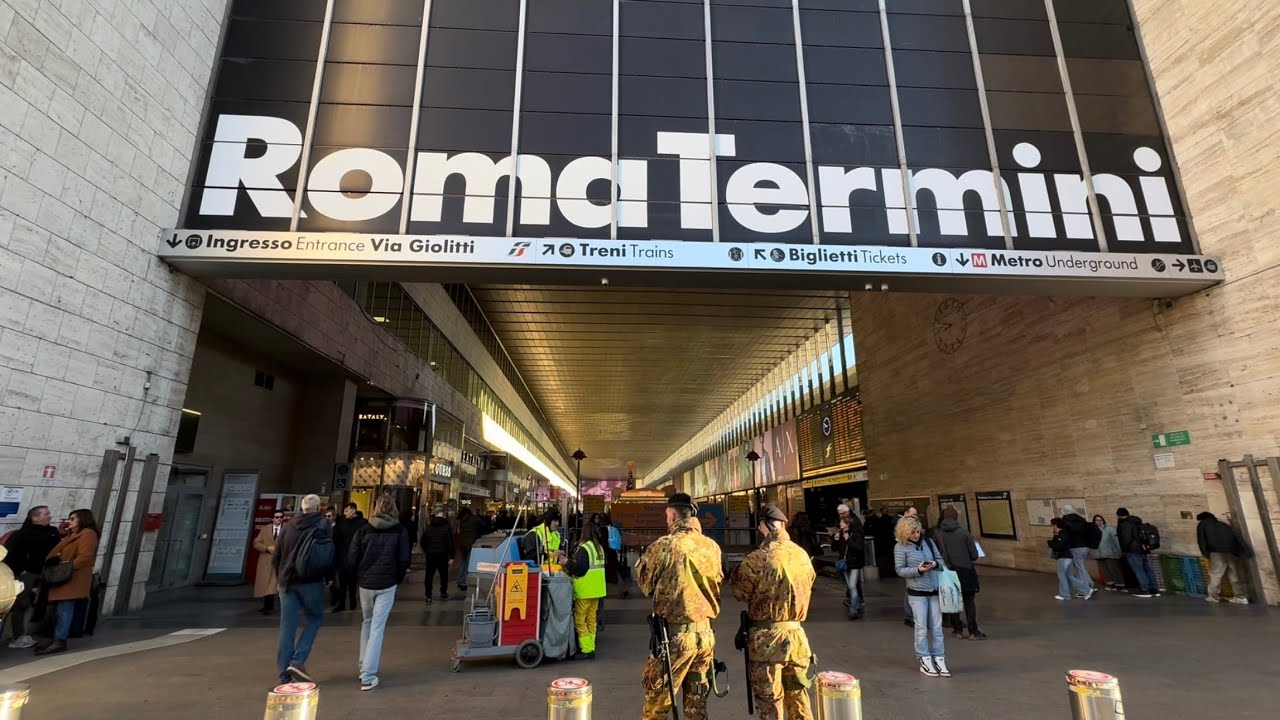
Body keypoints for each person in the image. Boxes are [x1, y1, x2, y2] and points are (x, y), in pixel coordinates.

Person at [636, 493, 724, 720]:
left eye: (667, 516)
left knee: (657, 706)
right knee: (697, 705)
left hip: (674, 640)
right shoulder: (712, 547)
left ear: (673, 515)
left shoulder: (664, 546)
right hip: (704, 636)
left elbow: (646, 586)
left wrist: (640, 566)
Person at [732, 504, 816, 719]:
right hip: (797, 638)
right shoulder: (802, 555)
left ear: (764, 526)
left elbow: (740, 592)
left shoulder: (758, 557)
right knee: (799, 699)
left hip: (766, 643)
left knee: (770, 703)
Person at [350, 495, 412, 691]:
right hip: (387, 583)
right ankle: (368, 675)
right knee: (378, 627)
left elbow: (352, 557)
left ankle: (363, 665)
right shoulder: (400, 531)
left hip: (366, 583)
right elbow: (404, 558)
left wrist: (357, 577)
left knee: (367, 622)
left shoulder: (364, 529)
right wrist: (398, 577)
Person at [273, 494, 334, 683]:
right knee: (315, 619)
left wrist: (279, 576)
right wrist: (329, 577)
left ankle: (284, 673)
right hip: (311, 581)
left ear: (302, 508)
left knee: (287, 626)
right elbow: (327, 553)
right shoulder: (323, 525)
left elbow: (277, 554)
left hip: (287, 581)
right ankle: (297, 660)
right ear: (318, 508)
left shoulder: (289, 526)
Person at [36, 509, 99, 656]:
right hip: (65, 577)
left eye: (72, 519)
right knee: (61, 609)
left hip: (72, 577)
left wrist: (66, 568)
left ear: (82, 520)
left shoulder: (88, 534)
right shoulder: (73, 535)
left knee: (65, 609)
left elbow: (85, 557)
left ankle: (60, 640)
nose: (68, 522)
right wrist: (64, 533)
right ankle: (57, 638)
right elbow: (60, 550)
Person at [894, 516, 948, 677]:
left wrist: (934, 565)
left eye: (917, 531)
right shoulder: (900, 547)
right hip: (917, 592)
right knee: (921, 627)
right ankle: (924, 658)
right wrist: (918, 570)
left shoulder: (928, 542)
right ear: (905, 532)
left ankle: (939, 658)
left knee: (937, 627)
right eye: (912, 532)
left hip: (934, 589)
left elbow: (940, 560)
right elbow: (899, 570)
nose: (916, 535)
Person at [4, 505, 62, 649]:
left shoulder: (53, 532)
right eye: (46, 514)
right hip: (27, 574)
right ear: (34, 518)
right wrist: (22, 571)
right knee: (21, 604)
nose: (50, 516)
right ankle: (19, 636)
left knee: (38, 603)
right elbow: (9, 555)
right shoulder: (21, 535)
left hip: (46, 574)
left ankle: (31, 633)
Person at [931, 507, 984, 639]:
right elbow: (974, 555)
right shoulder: (964, 533)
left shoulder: (938, 534)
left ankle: (957, 629)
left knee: (953, 600)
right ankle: (973, 631)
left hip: (948, 572)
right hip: (965, 571)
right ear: (956, 518)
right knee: (969, 601)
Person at [565, 519, 607, 660]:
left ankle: (587, 649)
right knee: (591, 619)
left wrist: (567, 563)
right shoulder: (599, 548)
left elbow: (580, 569)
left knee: (580, 620)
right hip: (597, 590)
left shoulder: (584, 549)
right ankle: (591, 646)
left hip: (585, 590)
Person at [1196, 512, 1249, 604]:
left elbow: (1202, 540)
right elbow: (1236, 537)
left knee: (1216, 574)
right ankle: (1241, 596)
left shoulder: (1203, 524)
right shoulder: (1224, 524)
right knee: (1234, 575)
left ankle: (1214, 596)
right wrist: (1241, 551)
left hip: (1216, 552)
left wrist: (1206, 553)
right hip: (1230, 551)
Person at [1116, 508, 1159, 598]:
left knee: (1139, 570)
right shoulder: (1137, 522)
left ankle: (1145, 589)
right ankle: (1154, 589)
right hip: (1143, 549)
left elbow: (1126, 539)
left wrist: (1124, 550)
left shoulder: (1125, 524)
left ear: (1119, 515)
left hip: (1133, 550)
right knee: (1147, 568)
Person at [332, 503, 367, 612]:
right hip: (343, 557)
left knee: (352, 581)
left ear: (353, 510)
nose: (344, 513)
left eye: (346, 510)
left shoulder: (362, 524)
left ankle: (352, 600)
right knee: (342, 582)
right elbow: (336, 539)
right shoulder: (342, 523)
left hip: (355, 557)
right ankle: (342, 603)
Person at [832, 509, 865, 620]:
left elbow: (859, 547)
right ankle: (857, 604)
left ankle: (854, 608)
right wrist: (835, 539)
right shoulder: (840, 534)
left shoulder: (855, 534)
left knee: (852, 586)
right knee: (851, 586)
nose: (839, 524)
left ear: (847, 524)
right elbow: (835, 549)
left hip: (855, 563)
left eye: (841, 522)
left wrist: (848, 540)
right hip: (845, 563)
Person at [1059, 506, 1096, 599]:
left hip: (1075, 547)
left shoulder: (1065, 521)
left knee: (1079, 568)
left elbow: (1066, 536)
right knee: (1081, 567)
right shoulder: (1081, 520)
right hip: (1085, 546)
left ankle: (1086, 589)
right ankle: (1089, 584)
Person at [1049, 518, 1088, 600]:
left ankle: (1065, 594)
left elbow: (1058, 546)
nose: (1051, 526)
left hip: (1063, 557)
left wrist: (1050, 542)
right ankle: (1086, 590)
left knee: (1062, 575)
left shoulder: (1062, 534)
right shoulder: (1061, 533)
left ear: (1055, 525)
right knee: (1069, 576)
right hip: (1067, 557)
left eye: (1052, 525)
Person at [419, 509, 454, 603]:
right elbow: (450, 542)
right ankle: (443, 592)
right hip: (442, 554)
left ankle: (428, 596)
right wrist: (451, 556)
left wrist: (426, 550)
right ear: (443, 516)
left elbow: (422, 541)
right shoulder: (447, 527)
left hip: (430, 554)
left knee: (429, 575)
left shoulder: (429, 527)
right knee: (444, 575)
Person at [254, 510, 284, 615]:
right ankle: (267, 606)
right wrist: (267, 548)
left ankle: (269, 607)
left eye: (281, 517)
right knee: (266, 584)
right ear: (272, 518)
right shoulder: (265, 529)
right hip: (266, 560)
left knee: (273, 584)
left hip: (279, 560)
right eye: (277, 517)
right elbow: (256, 543)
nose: (279, 519)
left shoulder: (286, 530)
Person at [1092, 515, 1124, 591]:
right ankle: (1110, 584)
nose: (1099, 522)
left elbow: (1116, 541)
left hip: (1110, 553)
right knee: (1105, 570)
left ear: (1103, 520)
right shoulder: (1093, 531)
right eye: (1097, 520)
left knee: (1114, 569)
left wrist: (1119, 551)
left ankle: (1120, 584)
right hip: (1098, 553)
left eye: (1100, 520)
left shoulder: (1110, 529)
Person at [456, 507, 484, 592]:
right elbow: (483, 524)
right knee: (468, 562)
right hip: (471, 543)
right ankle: (464, 581)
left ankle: (460, 580)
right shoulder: (475, 519)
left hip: (462, 543)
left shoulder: (461, 520)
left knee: (462, 562)